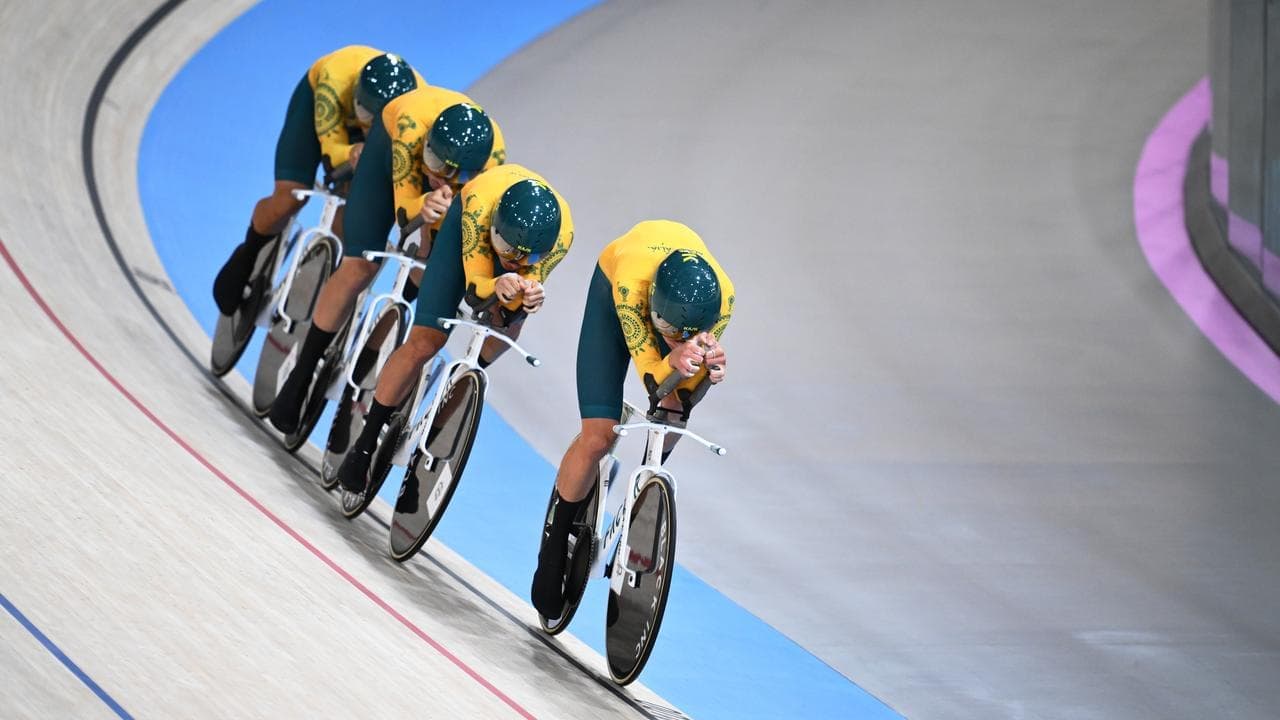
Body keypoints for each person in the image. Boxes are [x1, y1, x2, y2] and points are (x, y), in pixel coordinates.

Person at [268, 85, 506, 434]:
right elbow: (404, 210)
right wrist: (421, 206)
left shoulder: (491, 168)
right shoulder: (411, 129)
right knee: (360, 265)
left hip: (459, 195)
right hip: (390, 149)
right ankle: (302, 373)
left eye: (453, 173)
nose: (439, 175)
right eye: (436, 164)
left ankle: (386, 333)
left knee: (433, 254)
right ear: (428, 145)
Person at [529, 220, 733, 619]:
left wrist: (709, 370)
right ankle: (554, 543)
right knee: (598, 437)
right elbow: (650, 373)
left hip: (672, 309)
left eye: (683, 334)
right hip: (618, 293)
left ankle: (646, 490)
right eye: (668, 330)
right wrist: (672, 357)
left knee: (677, 404)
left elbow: (682, 387)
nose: (674, 339)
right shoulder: (631, 285)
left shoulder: (722, 300)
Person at [334, 165, 574, 492]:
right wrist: (495, 282)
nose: (512, 260)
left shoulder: (561, 237)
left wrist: (530, 295)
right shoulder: (479, 205)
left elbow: (526, 287)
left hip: (519, 244)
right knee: (425, 341)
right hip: (466, 233)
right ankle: (365, 441)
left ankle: (438, 426)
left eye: (524, 257)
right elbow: (476, 287)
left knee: (508, 327)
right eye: (506, 250)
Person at [212, 46, 421, 315]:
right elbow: (332, 152)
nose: (367, 126)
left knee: (353, 218)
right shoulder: (335, 78)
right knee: (289, 197)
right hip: (325, 112)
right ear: (356, 95)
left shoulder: (416, 113)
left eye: (374, 122)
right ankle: (248, 253)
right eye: (365, 116)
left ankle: (321, 284)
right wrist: (351, 152)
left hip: (387, 137)